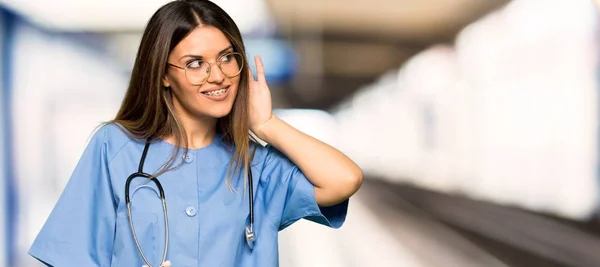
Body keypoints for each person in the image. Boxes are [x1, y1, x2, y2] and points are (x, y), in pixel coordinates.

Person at [27, 0, 363, 266]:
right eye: (195, 63)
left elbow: (344, 179)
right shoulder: (115, 148)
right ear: (163, 75)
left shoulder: (256, 167)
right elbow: (72, 257)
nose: (217, 75)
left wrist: (266, 125)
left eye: (226, 58)